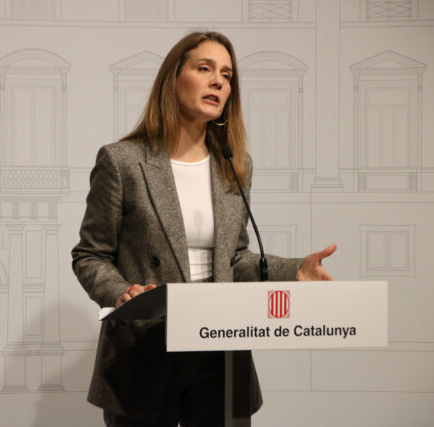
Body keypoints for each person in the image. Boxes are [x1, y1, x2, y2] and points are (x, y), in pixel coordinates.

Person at [71, 31, 336, 427]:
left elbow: (235, 259)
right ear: (173, 79)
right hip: (145, 350)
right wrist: (121, 292)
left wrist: (295, 270)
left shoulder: (234, 164)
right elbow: (91, 255)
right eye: (205, 69)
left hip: (221, 352)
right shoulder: (122, 161)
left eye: (227, 75)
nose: (218, 82)